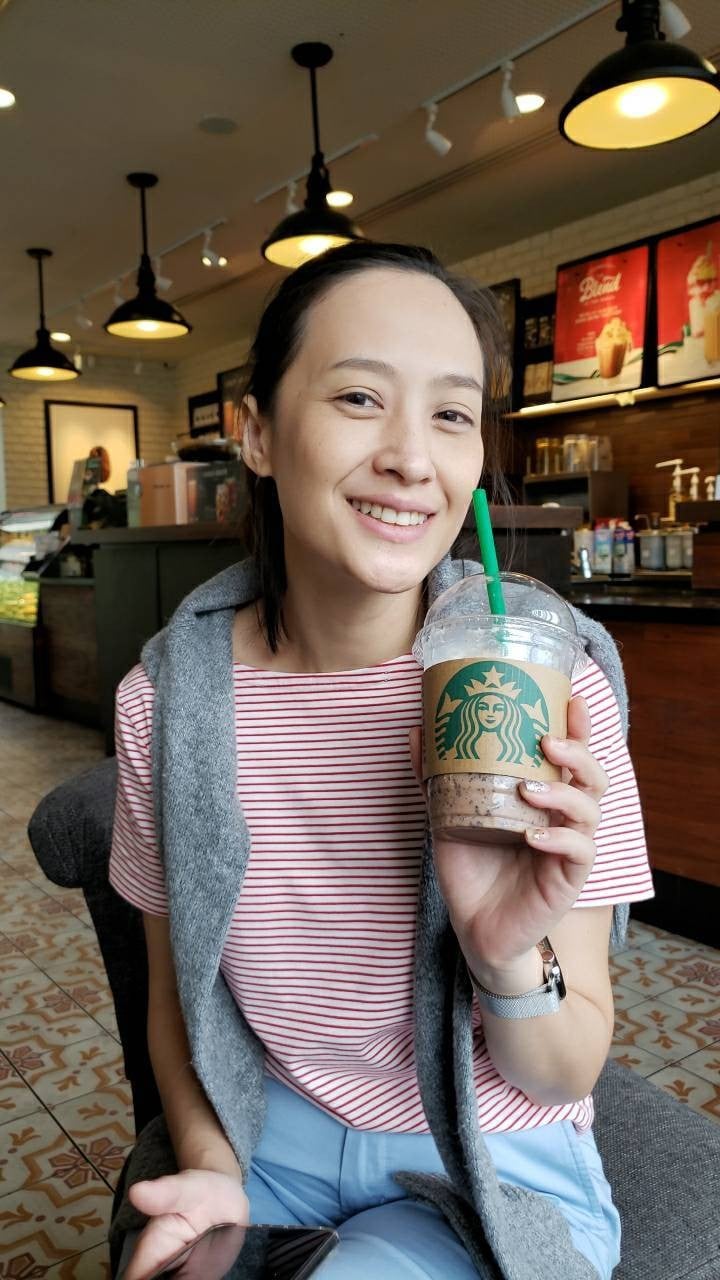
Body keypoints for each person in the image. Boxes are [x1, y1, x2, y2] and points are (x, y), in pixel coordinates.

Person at [108, 242, 654, 1280]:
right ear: (258, 432)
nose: (412, 457)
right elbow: (178, 997)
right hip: (272, 1143)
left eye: (451, 413)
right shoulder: (167, 707)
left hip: (493, 1162)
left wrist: (502, 954)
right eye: (360, 397)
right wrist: (214, 1163)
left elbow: (564, 1069)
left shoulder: (541, 689)